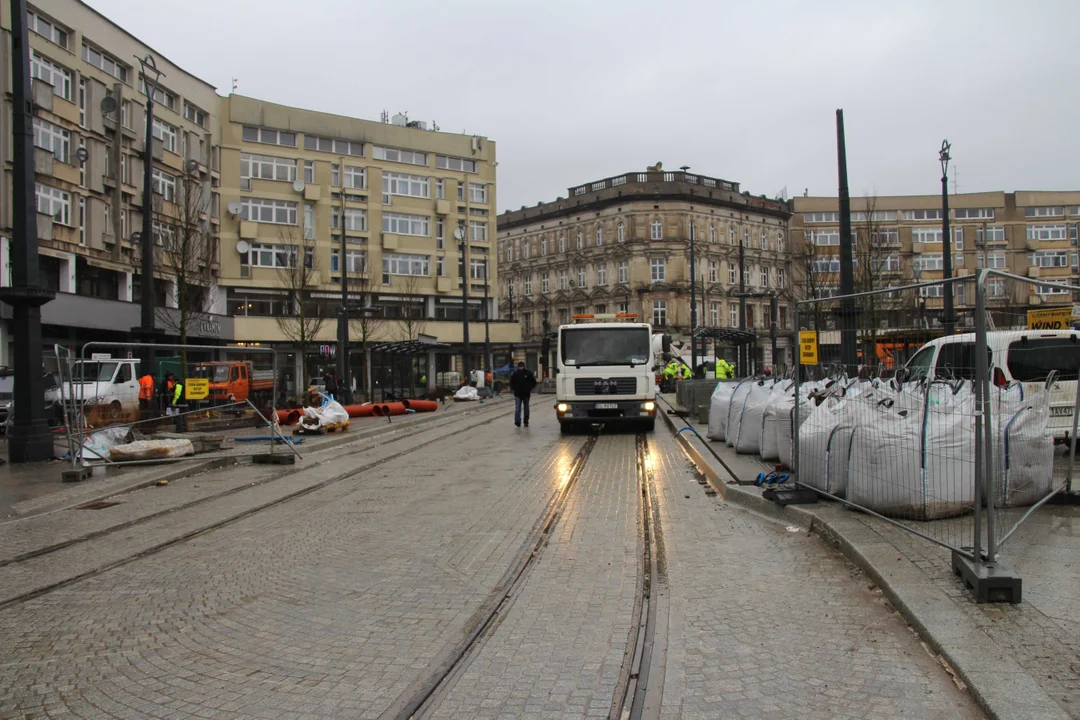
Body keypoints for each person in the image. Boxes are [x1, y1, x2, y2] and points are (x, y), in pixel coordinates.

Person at [508, 361, 537, 427]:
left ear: (524, 366)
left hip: (526, 394)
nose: (521, 368)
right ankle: (517, 421)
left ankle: (526, 421)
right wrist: (514, 389)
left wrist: (529, 388)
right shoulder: (515, 374)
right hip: (518, 394)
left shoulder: (528, 373)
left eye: (522, 366)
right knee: (518, 407)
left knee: (526, 407)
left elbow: (534, 382)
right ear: (518, 367)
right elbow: (511, 383)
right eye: (520, 366)